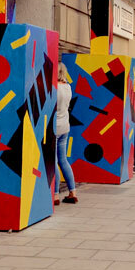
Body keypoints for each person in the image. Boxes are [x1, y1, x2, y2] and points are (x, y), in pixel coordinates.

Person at [55, 63, 77, 205]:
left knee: (54, 162)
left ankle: (55, 195)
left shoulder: (55, 88)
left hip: (54, 127)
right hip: (65, 126)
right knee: (63, 160)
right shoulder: (68, 87)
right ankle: (72, 193)